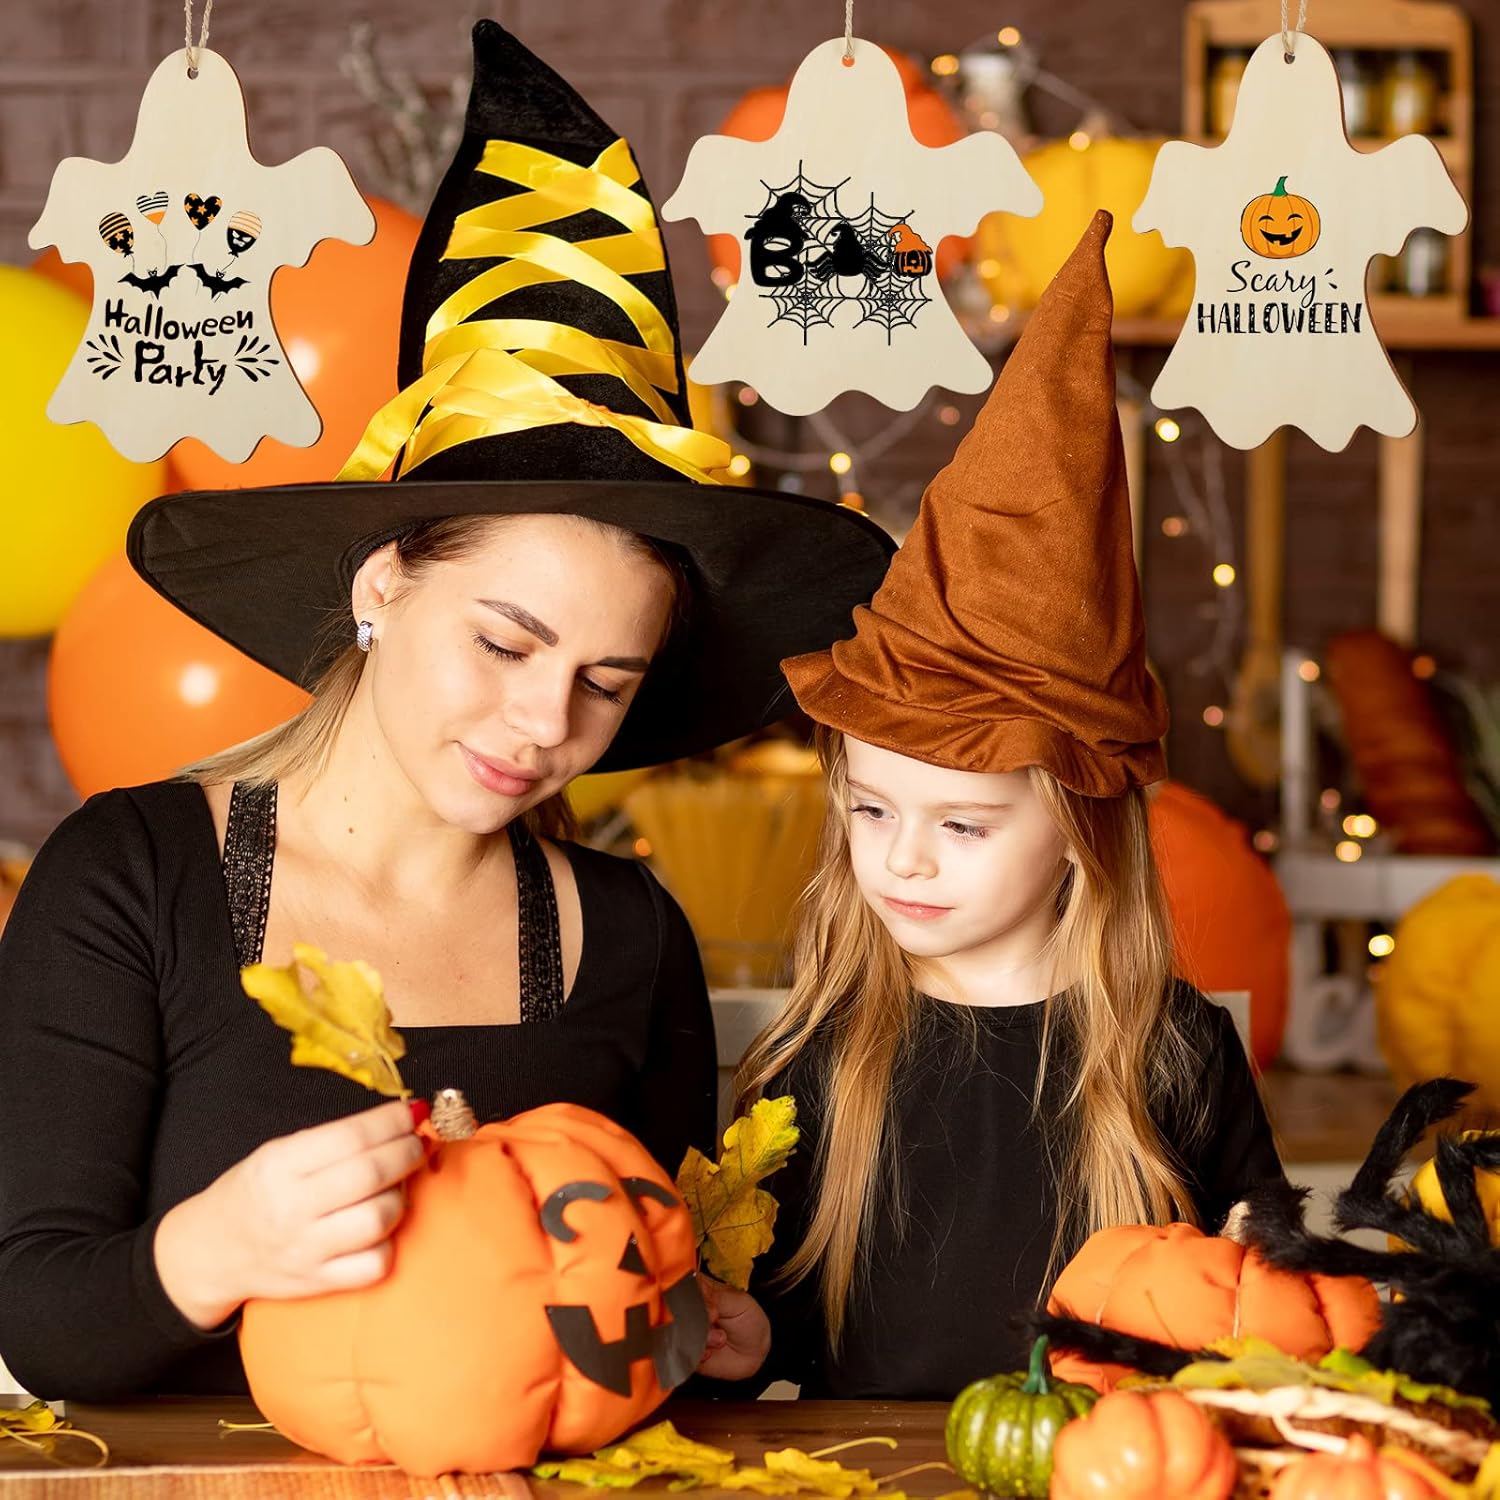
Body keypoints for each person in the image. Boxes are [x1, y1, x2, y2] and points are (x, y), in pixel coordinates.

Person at [0, 21, 892, 1402]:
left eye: (609, 681)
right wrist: (216, 1247)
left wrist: (720, 1333)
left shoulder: (627, 936)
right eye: (505, 641)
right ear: (382, 586)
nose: (546, 721)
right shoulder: (131, 883)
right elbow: (39, 1319)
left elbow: (639, 1335)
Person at [693, 214, 1286, 1395]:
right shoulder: (815, 1058)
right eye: (870, 812)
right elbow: (785, 1331)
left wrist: (1265, 1292)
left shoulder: (1173, 1054)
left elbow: (1252, 1306)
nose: (903, 859)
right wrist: (748, 1338)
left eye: (962, 824)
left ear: (1077, 832)